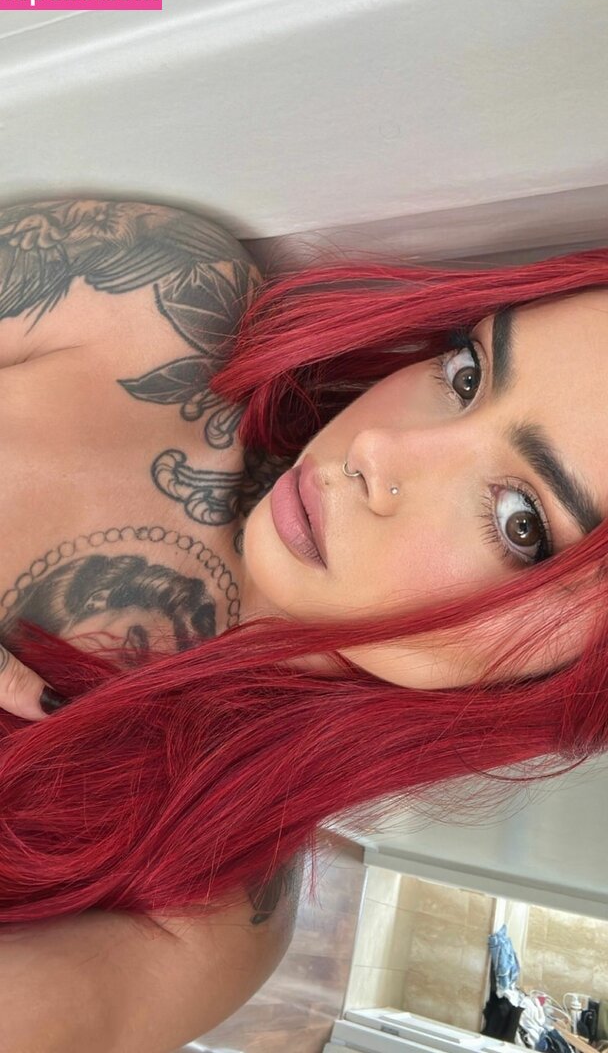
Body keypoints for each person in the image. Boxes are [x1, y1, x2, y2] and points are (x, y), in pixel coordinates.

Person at [0, 196, 607, 1051]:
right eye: (467, 374)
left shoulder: (205, 914)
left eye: (520, 521)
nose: (378, 450)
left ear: (571, 681)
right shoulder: (149, 306)